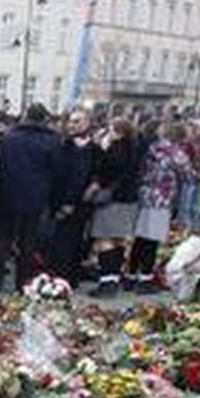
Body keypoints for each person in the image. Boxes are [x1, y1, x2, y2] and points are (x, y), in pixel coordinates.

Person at [0, 103, 61, 293]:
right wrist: (53, 200)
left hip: (6, 197)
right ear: (44, 119)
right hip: (36, 199)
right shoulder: (52, 141)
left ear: (26, 116)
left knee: (1, 242)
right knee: (28, 244)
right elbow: (58, 172)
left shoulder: (9, 138)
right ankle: (23, 285)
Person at [124, 121, 196, 293]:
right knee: (152, 239)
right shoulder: (175, 152)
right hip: (161, 199)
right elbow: (188, 175)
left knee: (140, 238)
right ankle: (146, 278)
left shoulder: (153, 147)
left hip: (143, 195)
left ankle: (131, 275)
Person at [88, 118, 143, 297]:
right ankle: (114, 278)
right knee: (119, 240)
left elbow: (106, 173)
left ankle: (106, 281)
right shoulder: (135, 148)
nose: (109, 133)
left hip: (112, 200)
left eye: (111, 129)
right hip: (130, 200)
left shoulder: (115, 149)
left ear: (119, 132)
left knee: (105, 239)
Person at [48, 110, 96, 284]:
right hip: (61, 201)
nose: (72, 125)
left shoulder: (92, 148)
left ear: (87, 123)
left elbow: (89, 175)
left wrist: (96, 185)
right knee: (61, 241)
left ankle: (68, 278)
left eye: (77, 122)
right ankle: (60, 276)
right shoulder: (63, 145)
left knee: (73, 242)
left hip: (79, 204)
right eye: (71, 121)